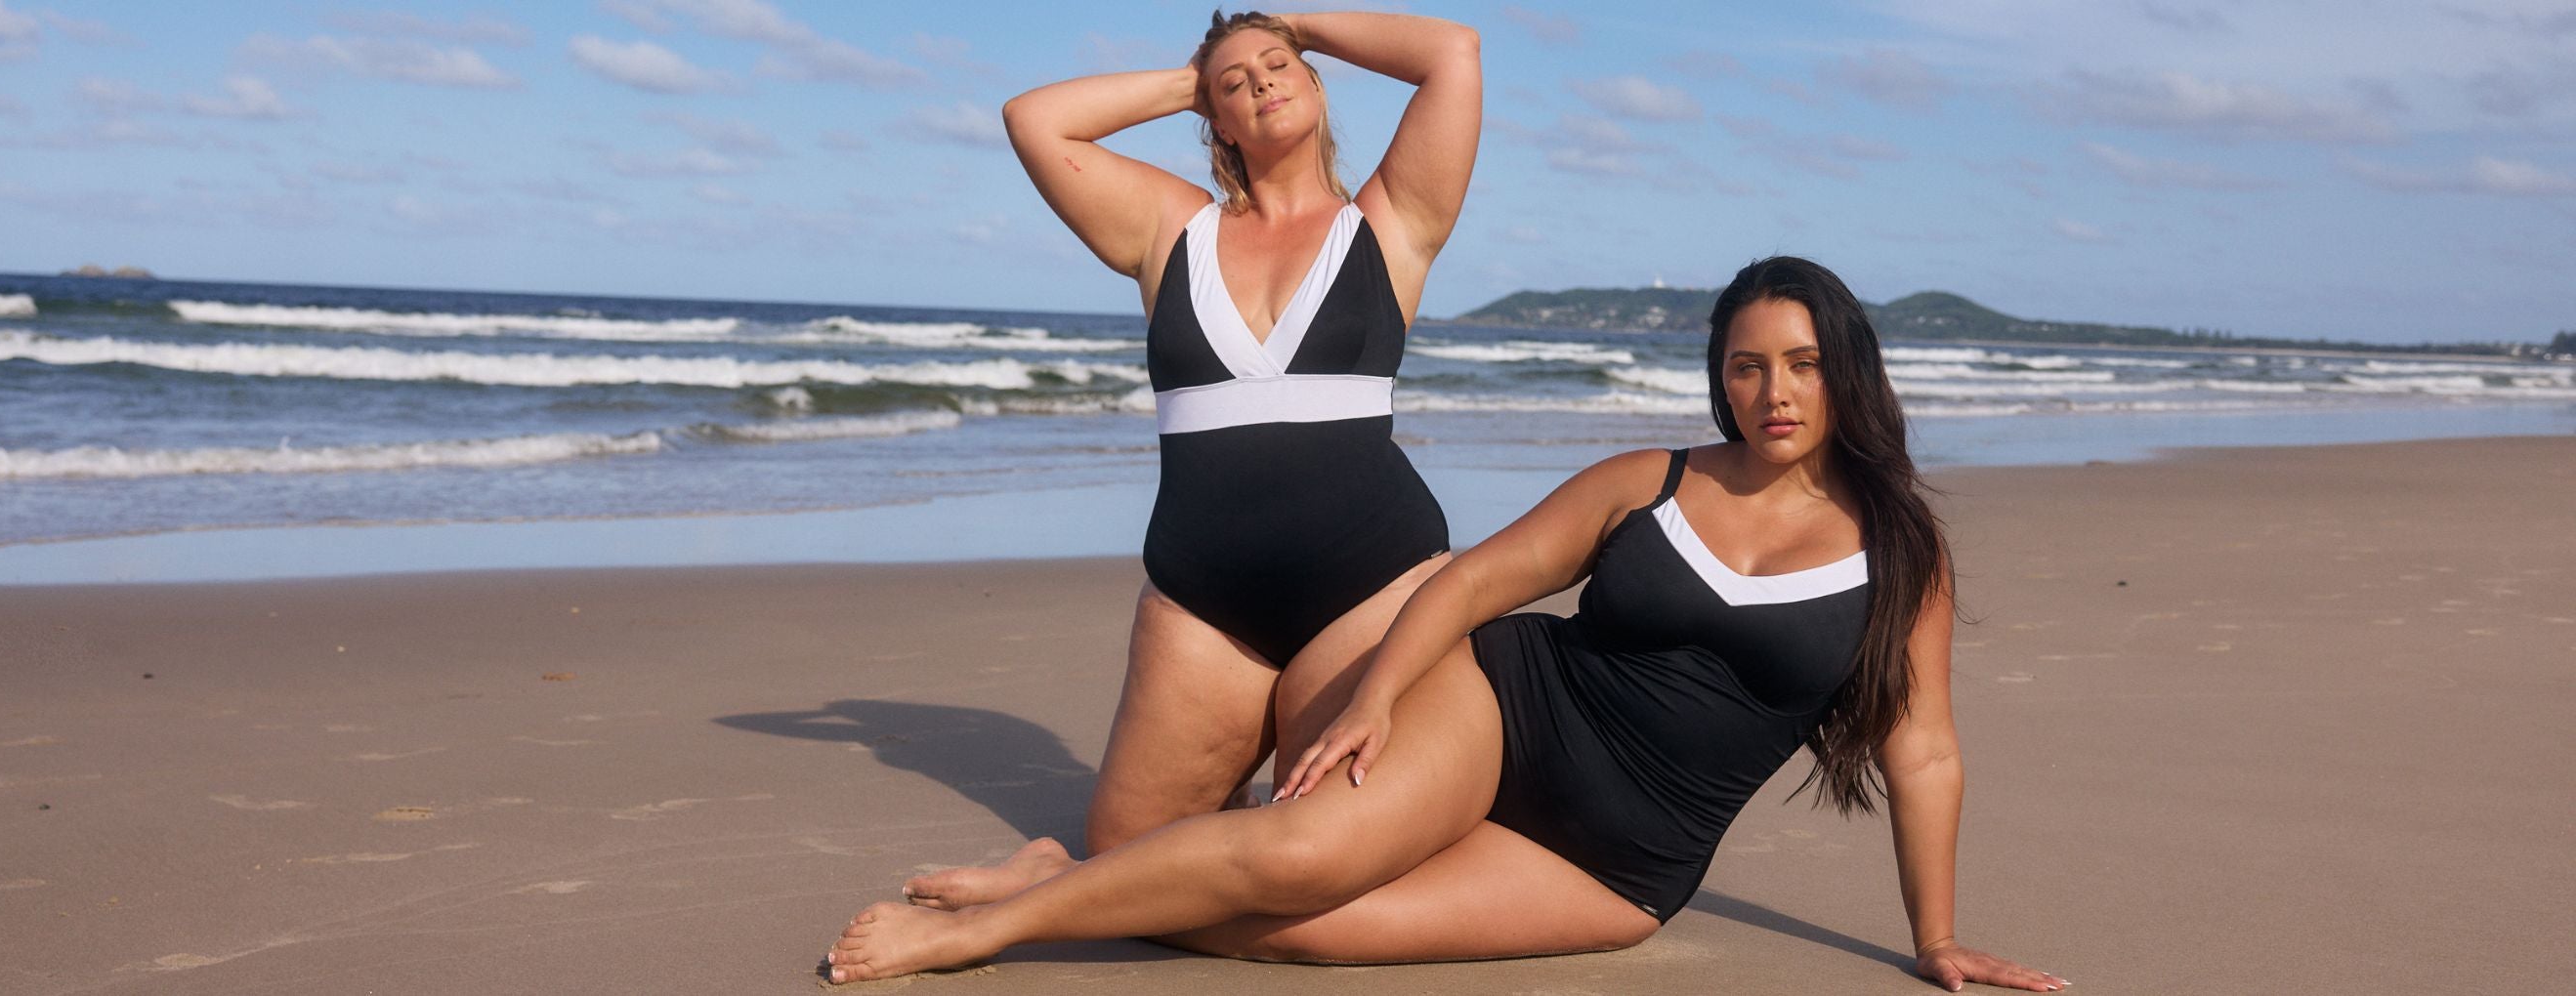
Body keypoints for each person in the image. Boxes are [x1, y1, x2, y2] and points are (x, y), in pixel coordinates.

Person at [823, 257, 2069, 992]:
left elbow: (1923, 752)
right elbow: (1472, 584)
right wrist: (1375, 696)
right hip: (1510, 712)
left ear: (1843, 369)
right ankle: (985, 933)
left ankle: (1071, 871)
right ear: (1718, 376)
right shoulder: (1653, 481)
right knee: (1296, 856)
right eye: (1746, 366)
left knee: (1294, 939)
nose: (1772, 391)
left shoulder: (1899, 555)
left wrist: (1935, 935)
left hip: (1621, 862)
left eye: (1797, 363)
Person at [904, 8, 1484, 907]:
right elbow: (1035, 119)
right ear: (1212, 120)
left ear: (1319, 82)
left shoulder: (1389, 221)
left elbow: (1452, 54)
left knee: (1327, 861)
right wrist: (1202, 78)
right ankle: (1059, 869)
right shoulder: (1169, 231)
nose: (1260, 79)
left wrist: (1294, 28)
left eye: (1278, 68)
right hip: (1203, 603)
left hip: (1372, 588)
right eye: (1235, 83)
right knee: (1127, 855)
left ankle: (1178, 845)